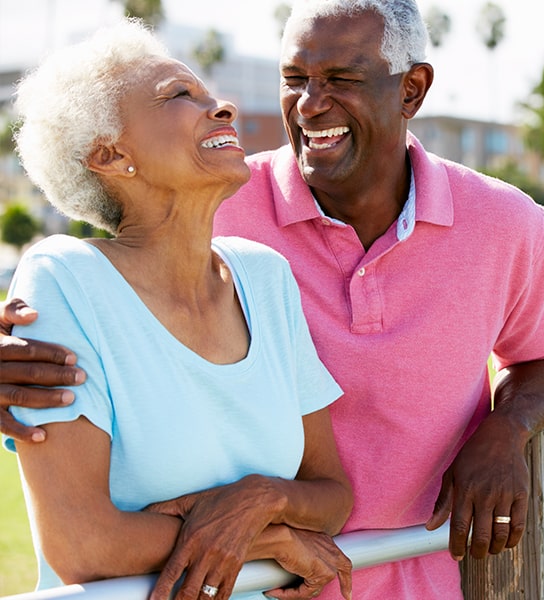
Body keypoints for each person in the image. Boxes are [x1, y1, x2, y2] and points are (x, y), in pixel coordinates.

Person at [0, 1, 544, 598]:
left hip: (419, 573)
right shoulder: (210, 201)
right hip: (268, 581)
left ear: (411, 90)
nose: (308, 104)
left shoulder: (504, 222)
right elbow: (106, 275)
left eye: (341, 80)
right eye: (294, 79)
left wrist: (506, 428)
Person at [0, 18, 354, 600]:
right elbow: (82, 547)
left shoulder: (264, 276)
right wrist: (266, 539)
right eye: (179, 96)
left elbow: (332, 495)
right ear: (111, 156)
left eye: (210, 94)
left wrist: (259, 500)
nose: (223, 108)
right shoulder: (65, 279)